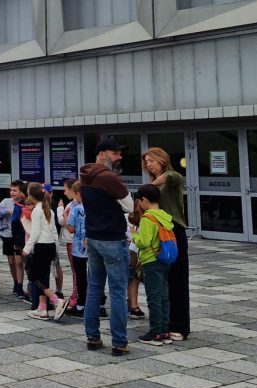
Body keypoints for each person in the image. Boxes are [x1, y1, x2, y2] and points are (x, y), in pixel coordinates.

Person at [80, 138, 134, 356]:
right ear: (102, 154)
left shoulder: (84, 175)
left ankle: (92, 337)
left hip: (93, 238)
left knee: (94, 289)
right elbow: (129, 206)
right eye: (115, 153)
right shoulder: (109, 177)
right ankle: (119, 342)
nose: (119, 157)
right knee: (118, 291)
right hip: (113, 238)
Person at [144, 147, 190, 341]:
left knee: (177, 279)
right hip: (157, 233)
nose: (149, 164)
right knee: (162, 281)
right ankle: (164, 323)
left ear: (162, 160)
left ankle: (180, 325)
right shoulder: (153, 184)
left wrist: (151, 186)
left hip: (173, 232)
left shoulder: (171, 179)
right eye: (146, 161)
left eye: (152, 160)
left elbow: (174, 176)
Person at [133, 184, 174, 345]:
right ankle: (164, 331)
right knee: (164, 296)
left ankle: (155, 332)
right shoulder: (164, 215)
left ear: (144, 200)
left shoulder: (147, 218)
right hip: (164, 258)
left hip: (151, 260)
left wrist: (134, 235)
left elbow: (143, 242)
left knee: (153, 298)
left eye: (139, 201)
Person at [24, 183, 67, 320]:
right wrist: (56, 248)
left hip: (41, 247)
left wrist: (26, 249)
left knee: (33, 277)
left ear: (31, 196)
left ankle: (56, 300)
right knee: (43, 277)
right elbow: (54, 231)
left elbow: (35, 233)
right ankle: (42, 309)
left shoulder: (37, 211)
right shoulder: (48, 210)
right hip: (50, 247)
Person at [0, 182, 26, 299]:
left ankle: (20, 285)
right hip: (7, 235)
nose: (12, 192)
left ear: (21, 192)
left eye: (15, 190)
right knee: (11, 262)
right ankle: (15, 282)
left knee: (19, 261)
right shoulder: (6, 202)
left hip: (20, 236)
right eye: (11, 190)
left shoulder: (25, 202)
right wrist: (7, 211)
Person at [63, 179, 87, 317]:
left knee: (80, 277)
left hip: (78, 248)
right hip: (92, 248)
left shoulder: (76, 209)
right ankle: (98, 305)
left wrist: (65, 216)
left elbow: (71, 229)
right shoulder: (94, 207)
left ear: (78, 194)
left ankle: (80, 305)